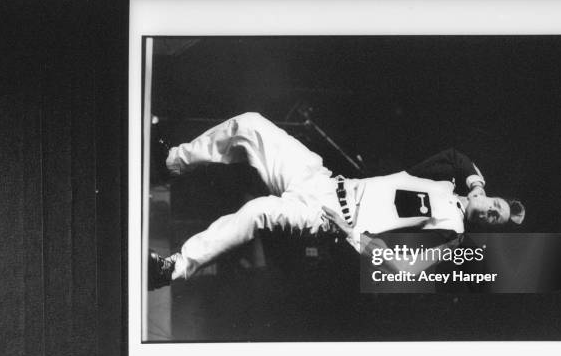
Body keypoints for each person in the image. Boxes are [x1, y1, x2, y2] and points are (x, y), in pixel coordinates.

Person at [148, 112, 525, 290]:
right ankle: (171, 164)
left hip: (325, 216)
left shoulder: (452, 231)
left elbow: (402, 266)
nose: (492, 211)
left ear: (484, 226)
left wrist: (351, 235)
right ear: (488, 194)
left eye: (495, 219)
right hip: (322, 179)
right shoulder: (440, 182)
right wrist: (475, 182)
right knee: (250, 125)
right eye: (497, 205)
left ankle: (173, 268)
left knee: (257, 211)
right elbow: (457, 156)